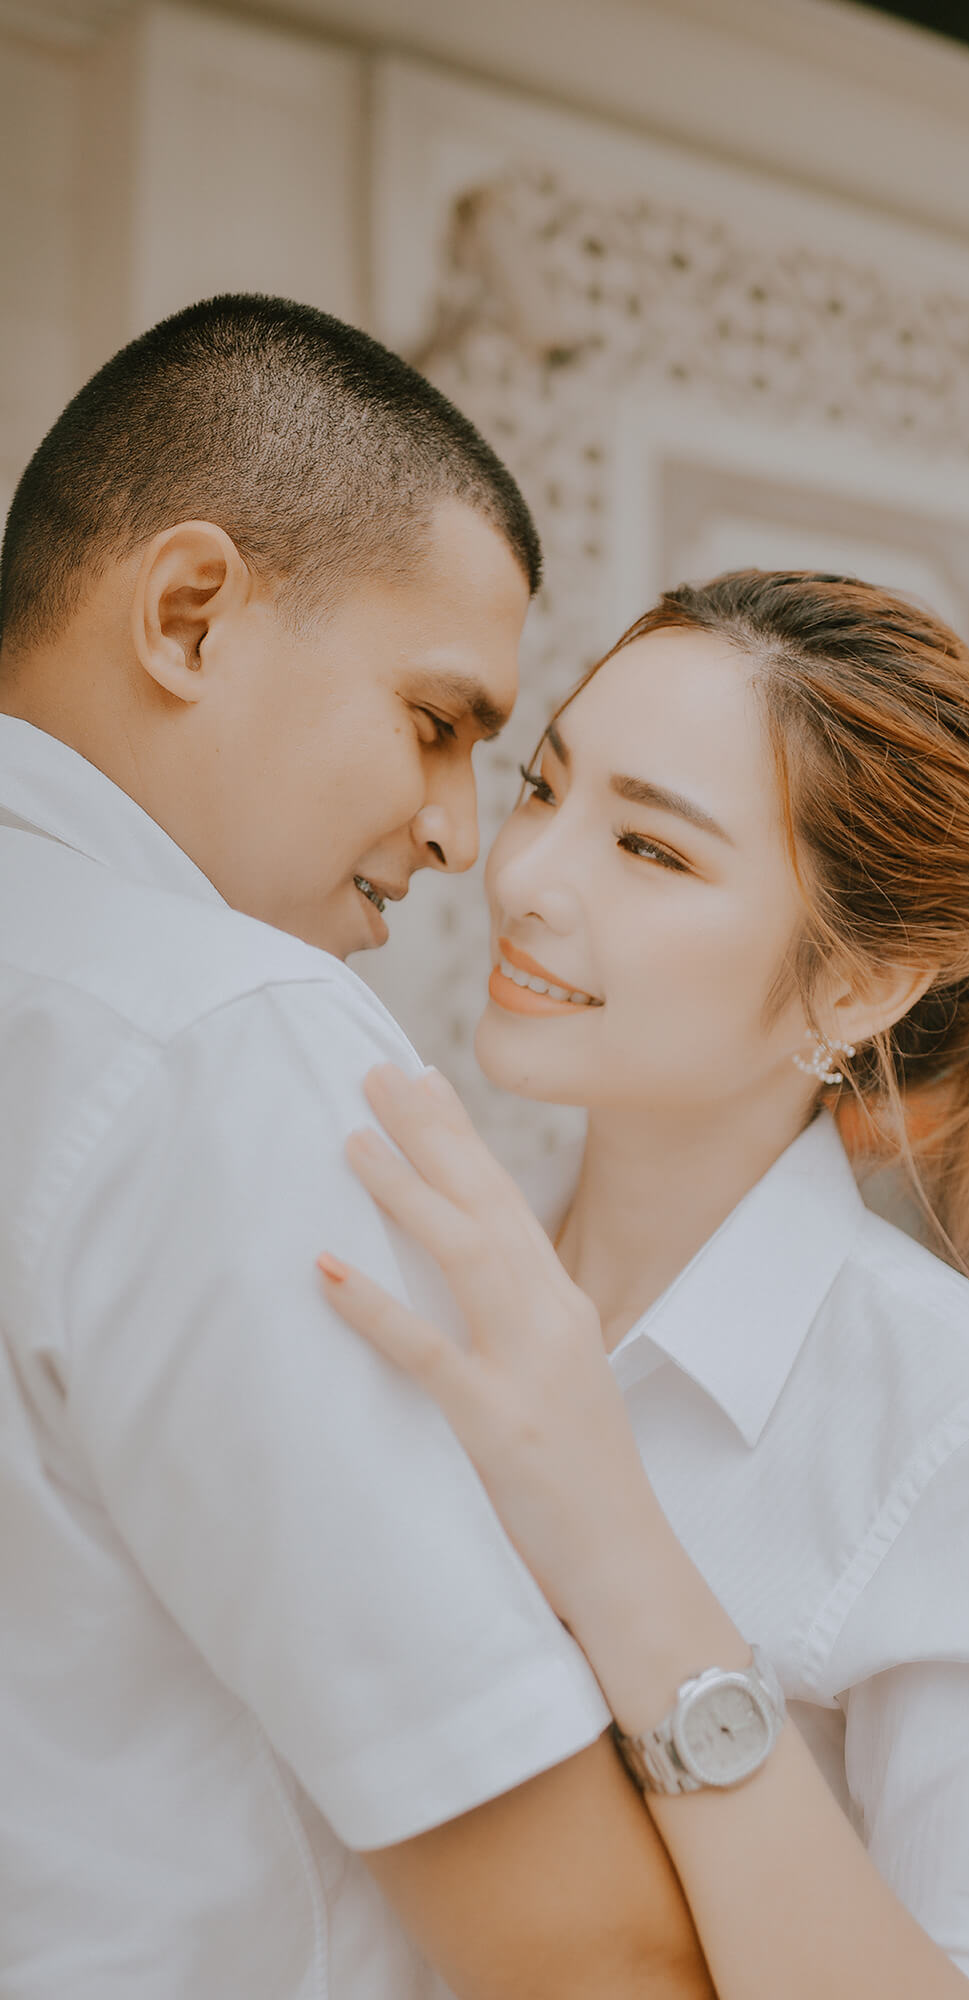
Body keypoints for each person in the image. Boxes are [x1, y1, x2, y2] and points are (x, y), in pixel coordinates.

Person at [314, 571, 969, 2000]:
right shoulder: (426, 1263)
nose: (526, 874)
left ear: (855, 989)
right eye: (544, 787)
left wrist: (614, 1547)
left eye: (651, 850)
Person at [0, 295, 717, 1998]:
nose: (464, 839)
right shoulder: (224, 1033)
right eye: (437, 722)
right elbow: (569, 1938)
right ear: (188, 614)